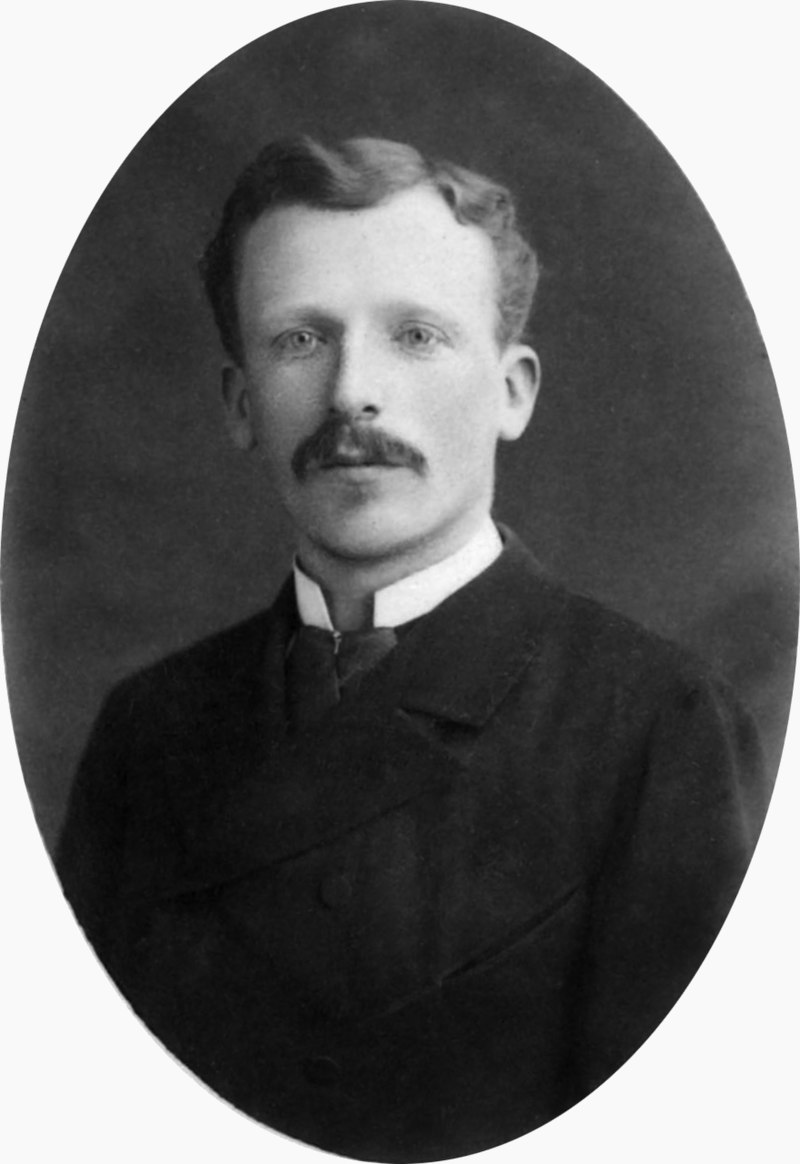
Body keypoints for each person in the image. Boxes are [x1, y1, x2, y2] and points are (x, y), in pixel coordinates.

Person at [56, 136, 768, 1163]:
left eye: (416, 336)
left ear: (513, 391)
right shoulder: (149, 730)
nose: (352, 392)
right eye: (300, 339)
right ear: (241, 404)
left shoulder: (659, 725)